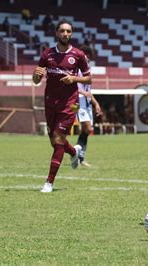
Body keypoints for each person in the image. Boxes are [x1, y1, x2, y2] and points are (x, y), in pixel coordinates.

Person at [32, 19, 91, 193]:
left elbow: (88, 78)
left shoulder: (79, 55)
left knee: (58, 140)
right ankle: (74, 152)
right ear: (57, 33)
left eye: (68, 31)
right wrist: (36, 75)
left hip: (71, 103)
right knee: (54, 141)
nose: (65, 34)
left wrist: (74, 78)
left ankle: (49, 182)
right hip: (50, 102)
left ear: (71, 34)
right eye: (62, 31)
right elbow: (36, 81)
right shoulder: (47, 54)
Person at [76, 47, 102, 167]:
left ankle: (79, 157)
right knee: (86, 127)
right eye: (87, 57)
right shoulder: (76, 70)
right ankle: (76, 155)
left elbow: (88, 91)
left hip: (86, 103)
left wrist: (96, 104)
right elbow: (71, 85)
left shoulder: (87, 71)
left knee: (87, 130)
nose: (88, 60)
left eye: (89, 58)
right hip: (78, 102)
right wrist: (82, 93)